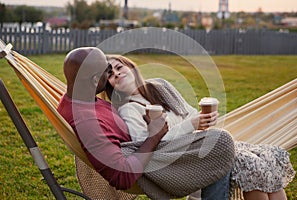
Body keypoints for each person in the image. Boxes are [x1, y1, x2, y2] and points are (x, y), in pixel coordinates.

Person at [105, 55, 296, 200]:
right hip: (182, 161)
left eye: (119, 67)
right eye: (111, 76)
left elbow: (188, 113)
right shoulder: (129, 110)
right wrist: (191, 125)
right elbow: (151, 148)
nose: (117, 74)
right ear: (112, 87)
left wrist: (204, 119)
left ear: (130, 66)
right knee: (249, 164)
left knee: (264, 159)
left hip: (200, 145)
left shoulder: (160, 86)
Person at [57, 47, 235, 200]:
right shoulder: (88, 121)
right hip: (150, 162)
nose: (114, 72)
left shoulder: (81, 98)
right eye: (108, 69)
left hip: (151, 149)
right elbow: (122, 176)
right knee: (220, 142)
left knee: (224, 151)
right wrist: (154, 135)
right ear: (96, 80)